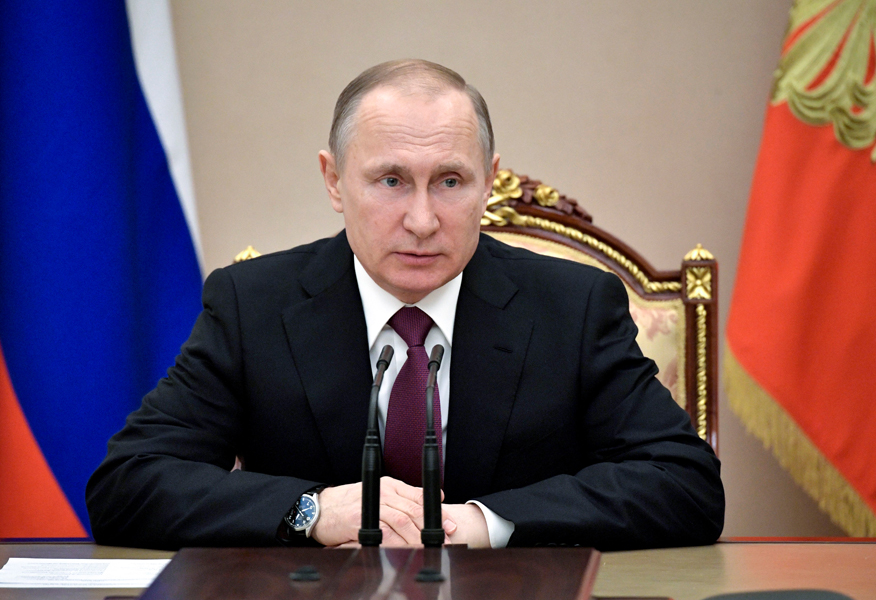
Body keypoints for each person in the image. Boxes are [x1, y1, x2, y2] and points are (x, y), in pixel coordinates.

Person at [86, 59, 724, 551]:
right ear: (334, 180)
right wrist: (311, 510)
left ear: (488, 180)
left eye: (450, 181)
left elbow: (684, 485)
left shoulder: (574, 307)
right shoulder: (254, 305)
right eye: (390, 181)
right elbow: (128, 485)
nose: (422, 220)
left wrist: (486, 522)